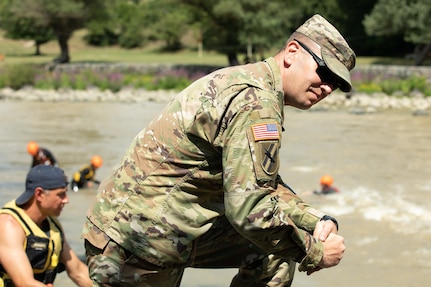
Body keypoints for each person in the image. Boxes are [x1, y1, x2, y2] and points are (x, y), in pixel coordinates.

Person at [82, 14, 356, 287]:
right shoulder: (256, 102)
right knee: (279, 243)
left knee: (275, 251)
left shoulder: (255, 84)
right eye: (324, 72)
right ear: (292, 52)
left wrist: (315, 219)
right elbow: (249, 210)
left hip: (163, 229)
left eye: (336, 83)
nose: (328, 87)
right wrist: (314, 251)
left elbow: (260, 185)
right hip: (133, 242)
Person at [0, 165, 92, 287]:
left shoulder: (52, 225)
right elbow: (24, 283)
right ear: (39, 194)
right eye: (61, 195)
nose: (66, 200)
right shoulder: (9, 226)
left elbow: (78, 272)